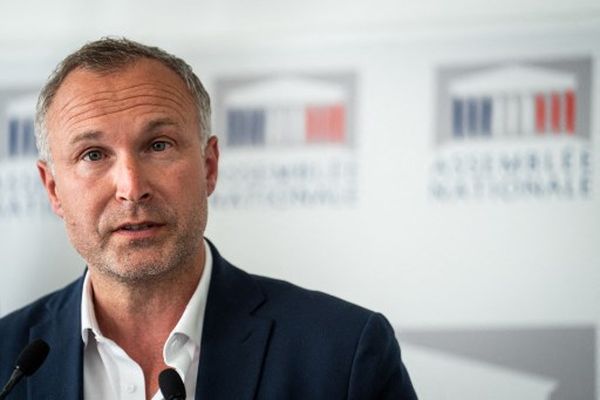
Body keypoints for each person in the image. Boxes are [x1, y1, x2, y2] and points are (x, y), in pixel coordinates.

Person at [0, 37, 417, 400]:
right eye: (93, 154)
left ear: (210, 165)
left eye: (158, 145)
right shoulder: (7, 360)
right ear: (53, 189)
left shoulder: (342, 354)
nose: (131, 187)